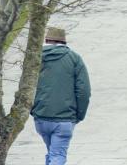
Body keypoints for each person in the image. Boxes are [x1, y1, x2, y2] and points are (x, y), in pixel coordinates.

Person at [31, 27, 90, 165]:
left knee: (52, 152)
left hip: (41, 118)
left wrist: (33, 110)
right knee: (58, 155)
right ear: (64, 42)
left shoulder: (35, 58)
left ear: (46, 40)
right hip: (64, 119)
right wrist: (79, 115)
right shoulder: (74, 59)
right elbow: (84, 91)